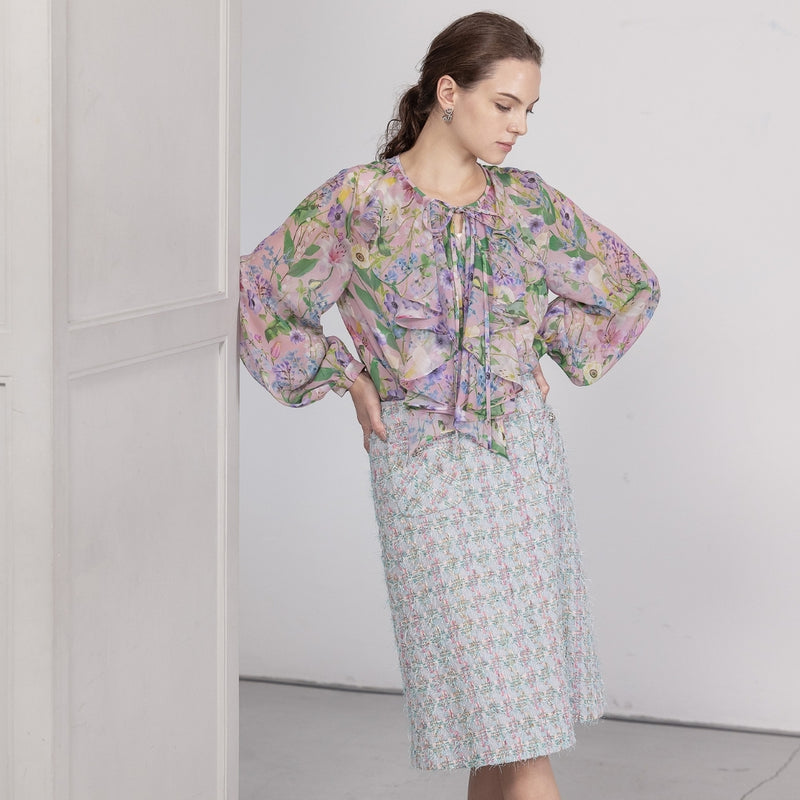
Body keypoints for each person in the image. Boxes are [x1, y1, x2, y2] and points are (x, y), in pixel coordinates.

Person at [239, 11, 660, 800]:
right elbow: (260, 294)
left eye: (529, 109)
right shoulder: (359, 201)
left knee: (512, 737)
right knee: (498, 716)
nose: (520, 125)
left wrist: (533, 336)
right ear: (447, 92)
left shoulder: (527, 204)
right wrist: (346, 375)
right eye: (505, 104)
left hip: (520, 468)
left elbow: (631, 287)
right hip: (423, 473)